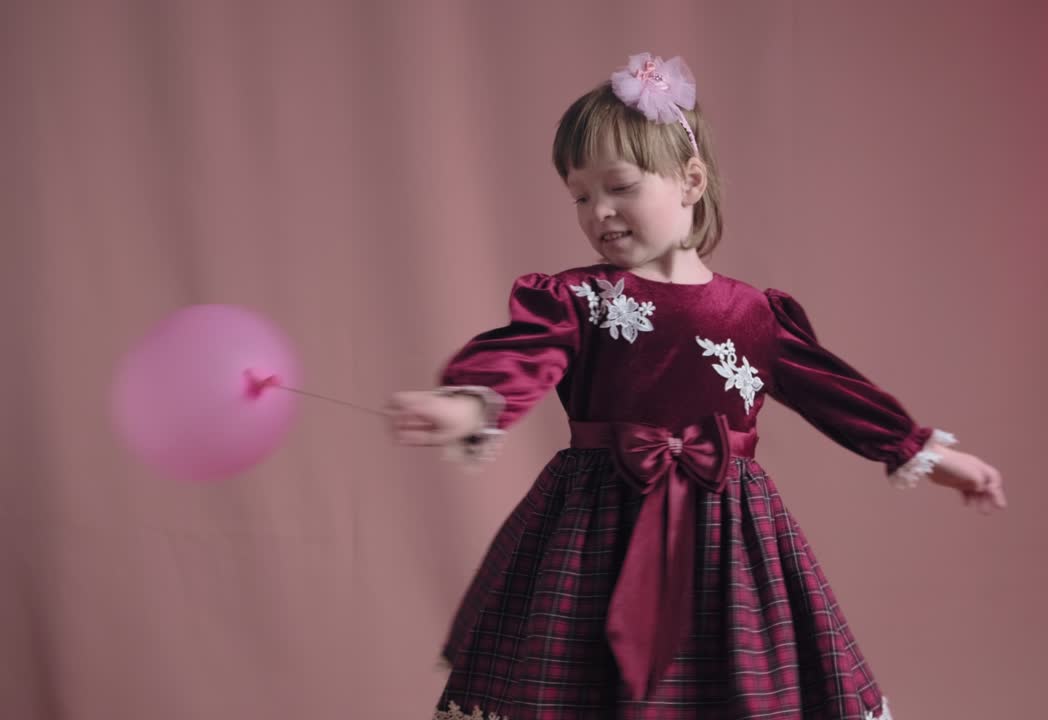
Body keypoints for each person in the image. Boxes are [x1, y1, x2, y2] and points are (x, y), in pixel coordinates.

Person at [387, 52, 1006, 720]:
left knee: (733, 684)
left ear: (690, 181)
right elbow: (525, 354)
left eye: (619, 187)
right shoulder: (580, 296)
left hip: (727, 536)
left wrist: (935, 457)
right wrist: (468, 402)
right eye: (580, 195)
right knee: (581, 687)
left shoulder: (754, 315)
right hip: (596, 529)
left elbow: (837, 394)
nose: (599, 212)